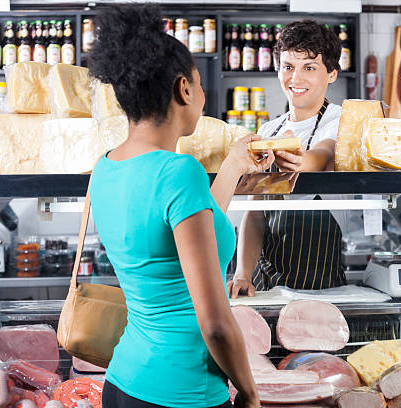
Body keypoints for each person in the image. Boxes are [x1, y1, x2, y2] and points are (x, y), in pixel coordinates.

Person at [88, 5, 273, 408]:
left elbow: (188, 235)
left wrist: (233, 167)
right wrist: (250, 391)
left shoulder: (105, 166)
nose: (203, 96)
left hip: (122, 383)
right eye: (200, 84)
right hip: (181, 392)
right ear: (184, 89)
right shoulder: (179, 171)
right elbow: (216, 325)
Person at [228, 20, 347, 296]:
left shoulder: (341, 120)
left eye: (309, 68)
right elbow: (255, 214)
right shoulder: (270, 130)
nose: (295, 79)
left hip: (320, 285)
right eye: (288, 67)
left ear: (332, 73)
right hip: (265, 283)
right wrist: (243, 274)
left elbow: (324, 154)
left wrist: (298, 162)